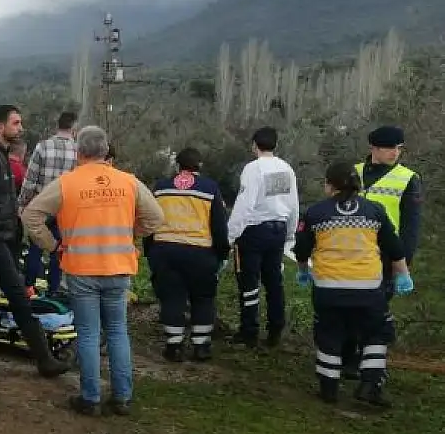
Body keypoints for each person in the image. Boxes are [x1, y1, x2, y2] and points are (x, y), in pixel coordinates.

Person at [22, 126, 164, 416]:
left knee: (87, 333)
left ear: (79, 152)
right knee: (118, 331)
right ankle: (122, 397)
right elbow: (156, 217)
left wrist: (53, 246)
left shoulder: (67, 183)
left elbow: (31, 215)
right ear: (105, 150)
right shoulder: (129, 182)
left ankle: (90, 398)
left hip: (82, 269)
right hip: (118, 269)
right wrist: (131, 233)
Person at [293, 162, 413, 407]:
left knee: (329, 333)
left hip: (329, 288)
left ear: (329, 186)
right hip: (368, 289)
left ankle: (328, 389)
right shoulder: (375, 210)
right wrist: (403, 274)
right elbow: (395, 247)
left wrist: (304, 272)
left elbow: (302, 249)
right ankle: (370, 385)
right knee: (376, 333)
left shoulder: (315, 213)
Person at [0, 105, 68, 379]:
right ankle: (44, 359)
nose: (20, 128)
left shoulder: (1, 157)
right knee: (19, 299)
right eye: (16, 123)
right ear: (0, 126)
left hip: (2, 240)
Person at [342, 126, 422, 379]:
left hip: (386, 255)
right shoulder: (352, 172)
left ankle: (369, 363)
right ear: (374, 148)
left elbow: (411, 226)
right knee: (348, 308)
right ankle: (348, 359)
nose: (395, 153)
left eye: (399, 148)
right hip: (350, 252)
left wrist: (404, 266)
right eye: (390, 148)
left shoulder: (408, 178)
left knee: (374, 311)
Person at [145, 148, 230, 362]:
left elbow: (151, 220)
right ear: (199, 166)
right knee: (203, 297)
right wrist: (222, 253)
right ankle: (201, 346)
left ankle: (174, 345)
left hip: (165, 251)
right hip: (200, 253)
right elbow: (219, 226)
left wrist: (150, 250)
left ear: (177, 166)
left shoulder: (161, 187)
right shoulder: (210, 189)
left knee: (172, 297)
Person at [227, 126, 299, 348]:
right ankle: (275, 329)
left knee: (249, 282)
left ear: (254, 145)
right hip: (278, 229)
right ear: (275, 146)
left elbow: (244, 205)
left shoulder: (253, 169)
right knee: (274, 282)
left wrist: (230, 235)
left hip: (254, 231)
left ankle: (249, 331)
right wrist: (289, 233)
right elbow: (293, 203)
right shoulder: (286, 168)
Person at [18, 111, 78, 297]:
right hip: (64, 208)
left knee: (35, 247)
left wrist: (22, 204)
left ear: (57, 126)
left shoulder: (43, 147)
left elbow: (30, 179)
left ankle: (29, 286)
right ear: (74, 128)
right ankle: (53, 289)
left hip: (41, 206)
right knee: (58, 249)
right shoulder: (78, 151)